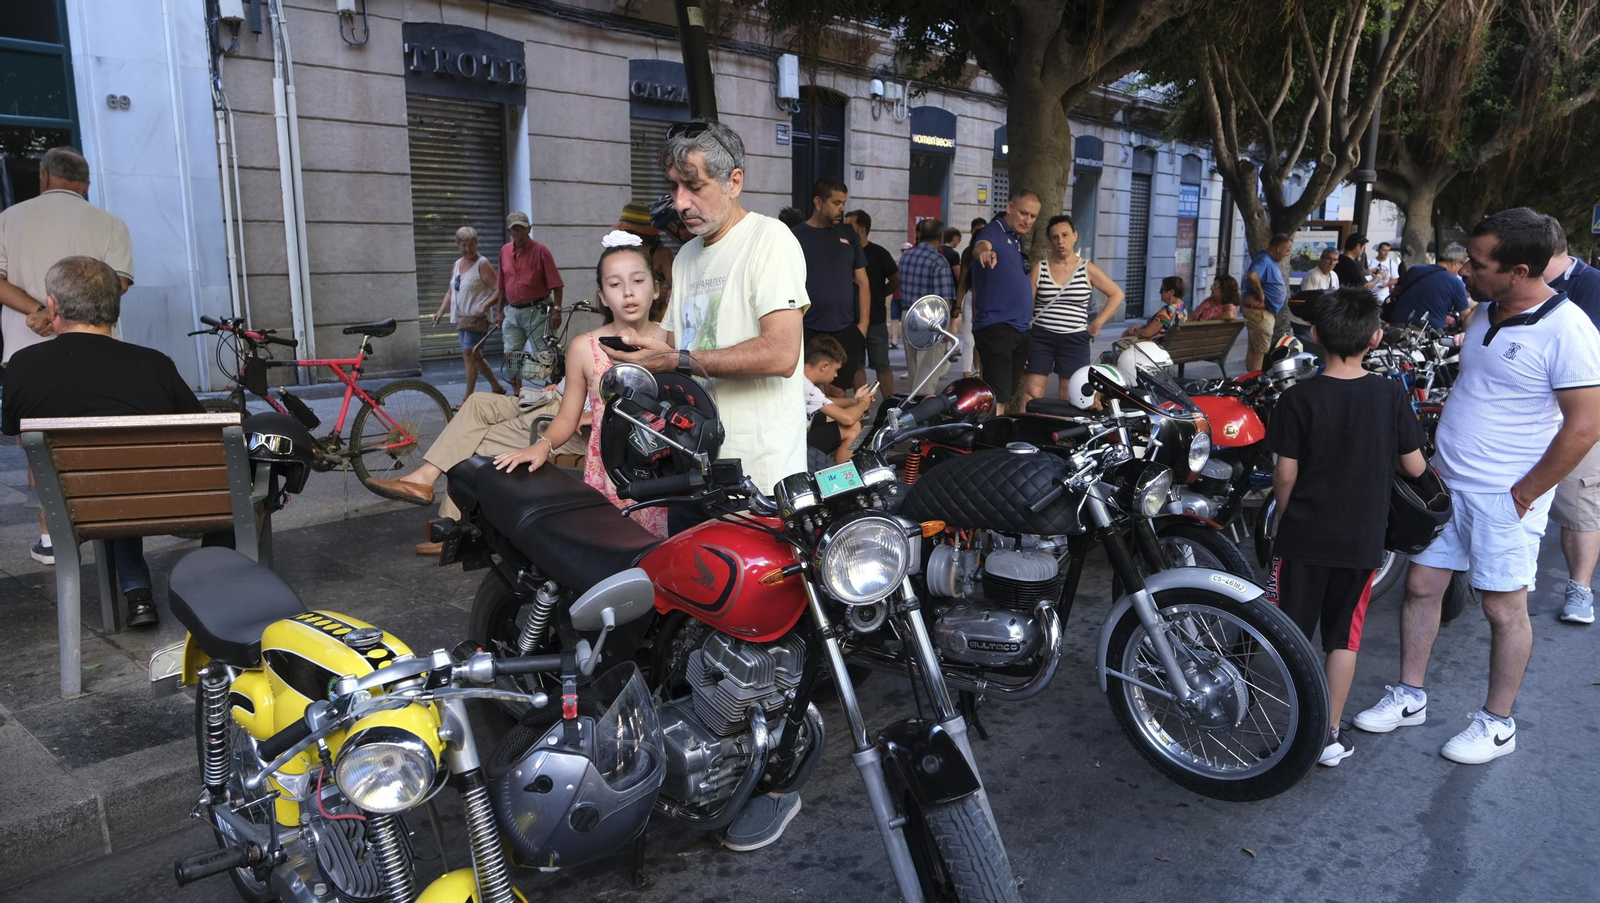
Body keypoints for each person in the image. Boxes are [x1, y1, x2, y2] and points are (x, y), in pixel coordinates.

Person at [600, 119, 809, 850]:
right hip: (693, 469)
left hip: (761, 476)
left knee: (772, 632)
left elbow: (781, 353)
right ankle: (709, 760)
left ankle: (775, 779)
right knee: (698, 623)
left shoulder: (771, 242)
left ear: (734, 181)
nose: (681, 199)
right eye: (673, 185)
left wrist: (681, 355)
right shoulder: (686, 255)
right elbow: (676, 349)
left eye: (693, 183)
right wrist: (637, 347)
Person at [1353, 208, 1600, 764]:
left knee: (1502, 609)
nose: (1464, 269)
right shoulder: (1486, 312)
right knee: (1421, 588)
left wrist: (1526, 491)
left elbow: (1586, 424)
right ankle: (1410, 695)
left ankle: (1497, 722)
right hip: (1450, 483)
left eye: (1478, 262)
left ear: (1518, 270)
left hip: (1505, 496)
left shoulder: (1570, 330)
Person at [1265, 287, 1427, 767]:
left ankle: (1289, 727)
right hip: (1360, 541)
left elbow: (1285, 474)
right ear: (1377, 338)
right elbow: (1415, 467)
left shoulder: (1297, 398)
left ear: (1313, 335)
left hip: (1302, 538)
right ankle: (1328, 735)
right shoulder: (1389, 393)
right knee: (1344, 637)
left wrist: (1285, 517)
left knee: (1290, 634)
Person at [1, 258, 201, 628]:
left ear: (54, 307)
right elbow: (202, 434)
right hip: (158, 502)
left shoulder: (22, 366)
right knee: (121, 481)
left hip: (72, 505)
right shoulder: (154, 364)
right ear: (115, 307)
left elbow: (17, 435)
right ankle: (200, 594)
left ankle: (137, 591)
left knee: (97, 485)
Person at [0, 146, 134, 566]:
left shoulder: (8, 219)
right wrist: (65, 314)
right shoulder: (110, 223)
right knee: (100, 441)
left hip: (25, 351)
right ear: (86, 183)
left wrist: (39, 314)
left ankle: (50, 538)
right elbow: (118, 285)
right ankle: (108, 528)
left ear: (43, 177)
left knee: (38, 449)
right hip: (98, 351)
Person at [1542, 220, 1600, 624]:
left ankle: (1580, 588)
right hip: (1526, 414)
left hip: (1576, 415)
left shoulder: (1592, 285)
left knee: (1578, 502)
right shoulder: (1517, 289)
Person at [1023, 214, 1122, 407]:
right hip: (1040, 337)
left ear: (1075, 236)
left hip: (1074, 339)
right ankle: (1028, 433)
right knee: (1032, 393)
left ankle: (1067, 437)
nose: (1061, 241)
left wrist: (1097, 323)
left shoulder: (1087, 269)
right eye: (1055, 237)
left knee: (1070, 394)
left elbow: (1116, 294)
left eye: (1065, 235)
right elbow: (1026, 308)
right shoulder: (1040, 268)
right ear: (1050, 240)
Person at [794, 178, 870, 392]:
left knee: (838, 392)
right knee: (806, 393)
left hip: (846, 329)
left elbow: (863, 282)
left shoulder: (848, 234)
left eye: (844, 202)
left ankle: (839, 426)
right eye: (836, 203)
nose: (842, 208)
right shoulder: (795, 236)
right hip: (808, 329)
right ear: (818, 203)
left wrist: (862, 326)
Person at [970, 192, 1043, 411]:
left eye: (1033, 216)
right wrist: (984, 253)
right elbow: (981, 245)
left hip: (1019, 330)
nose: (1027, 220)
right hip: (997, 328)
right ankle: (992, 442)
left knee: (1005, 394)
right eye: (1023, 213)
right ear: (1010, 207)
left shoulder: (1017, 239)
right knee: (997, 397)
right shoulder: (994, 230)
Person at [430, 226, 506, 407]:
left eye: (472, 244)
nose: (468, 249)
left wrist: (485, 305)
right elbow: (451, 291)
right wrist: (440, 312)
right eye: (464, 245)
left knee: (469, 354)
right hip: (462, 318)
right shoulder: (456, 265)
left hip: (477, 318)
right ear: (458, 245)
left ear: (477, 244)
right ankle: (496, 386)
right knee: (475, 355)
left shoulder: (482, 264)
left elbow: (499, 289)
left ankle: (467, 397)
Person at [493, 210, 564, 395]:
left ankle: (555, 391)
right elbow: (501, 285)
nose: (519, 233)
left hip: (537, 310)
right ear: (510, 232)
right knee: (511, 354)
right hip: (512, 311)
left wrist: (557, 309)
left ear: (529, 229)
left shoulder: (541, 251)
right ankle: (518, 395)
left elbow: (556, 284)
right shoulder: (504, 251)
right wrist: (499, 312)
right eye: (514, 230)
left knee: (546, 355)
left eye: (522, 229)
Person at [898, 218, 959, 392]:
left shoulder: (906, 257)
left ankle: (911, 406)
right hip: (930, 320)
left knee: (913, 369)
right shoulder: (938, 261)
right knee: (927, 373)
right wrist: (945, 327)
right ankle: (921, 411)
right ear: (940, 236)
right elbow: (943, 300)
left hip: (907, 315)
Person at [846, 209, 899, 397]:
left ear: (861, 230)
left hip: (875, 320)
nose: (844, 229)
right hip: (850, 320)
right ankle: (863, 405)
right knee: (856, 364)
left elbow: (895, 280)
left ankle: (889, 404)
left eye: (849, 225)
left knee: (882, 364)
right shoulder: (845, 253)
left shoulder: (879, 254)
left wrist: (879, 295)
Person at [802, 333, 876, 464]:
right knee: (852, 427)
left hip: (797, 432)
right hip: (797, 447)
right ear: (824, 366)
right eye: (836, 370)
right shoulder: (806, 386)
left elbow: (823, 401)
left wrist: (855, 400)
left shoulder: (801, 377)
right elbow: (847, 418)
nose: (836, 375)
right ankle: (843, 476)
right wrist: (864, 403)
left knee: (833, 416)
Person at [1099, 275, 1183, 366]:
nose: (1160, 293)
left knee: (1111, 352)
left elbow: (1146, 333)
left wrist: (1131, 332)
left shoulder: (1168, 311)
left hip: (1155, 349)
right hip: (1175, 348)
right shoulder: (1181, 308)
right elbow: (1160, 327)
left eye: (1162, 290)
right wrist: (1140, 326)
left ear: (1171, 292)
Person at [1387, 243, 1471, 329]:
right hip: (1423, 334)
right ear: (1455, 263)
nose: (1463, 270)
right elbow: (1466, 316)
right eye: (1463, 265)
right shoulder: (1455, 282)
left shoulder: (1414, 270)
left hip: (1394, 328)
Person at [1242, 234, 1292, 373]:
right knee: (1259, 350)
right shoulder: (1264, 259)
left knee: (1256, 348)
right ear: (1279, 247)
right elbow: (1252, 276)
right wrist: (1261, 294)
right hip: (1260, 313)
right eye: (1287, 250)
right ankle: (1255, 380)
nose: (1287, 254)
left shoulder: (1268, 260)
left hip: (1264, 312)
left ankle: (1252, 377)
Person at [957, 217, 987, 376]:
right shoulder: (968, 253)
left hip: (985, 299)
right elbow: (963, 280)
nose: (980, 233)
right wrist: (957, 304)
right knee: (969, 340)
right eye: (977, 230)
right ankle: (966, 375)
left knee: (980, 340)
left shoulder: (992, 252)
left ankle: (977, 369)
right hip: (970, 297)